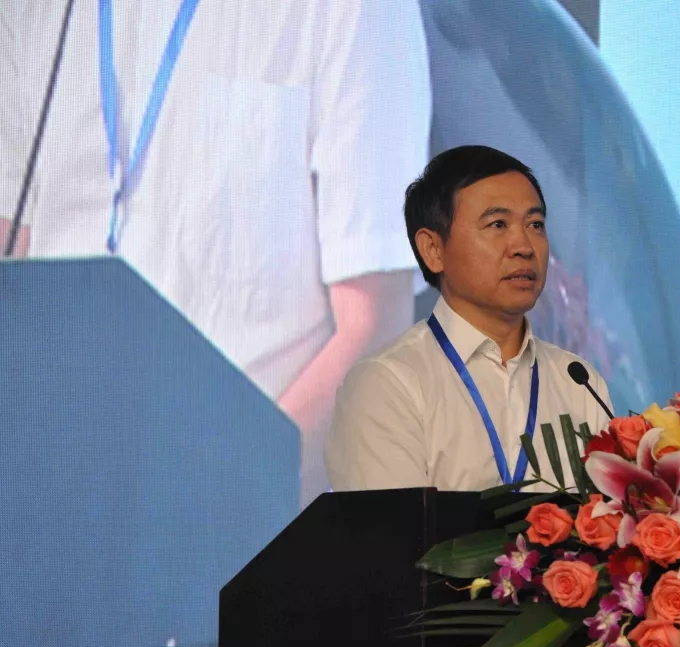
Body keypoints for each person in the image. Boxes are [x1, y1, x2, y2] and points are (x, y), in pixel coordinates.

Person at [0, 0, 432, 507]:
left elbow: (374, 333)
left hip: (238, 517)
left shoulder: (357, 11)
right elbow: (12, 252)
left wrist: (213, 504)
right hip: (51, 501)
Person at [324, 145, 612, 492]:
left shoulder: (579, 383)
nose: (523, 246)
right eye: (498, 224)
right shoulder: (387, 385)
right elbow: (393, 527)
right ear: (433, 249)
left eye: (535, 224)